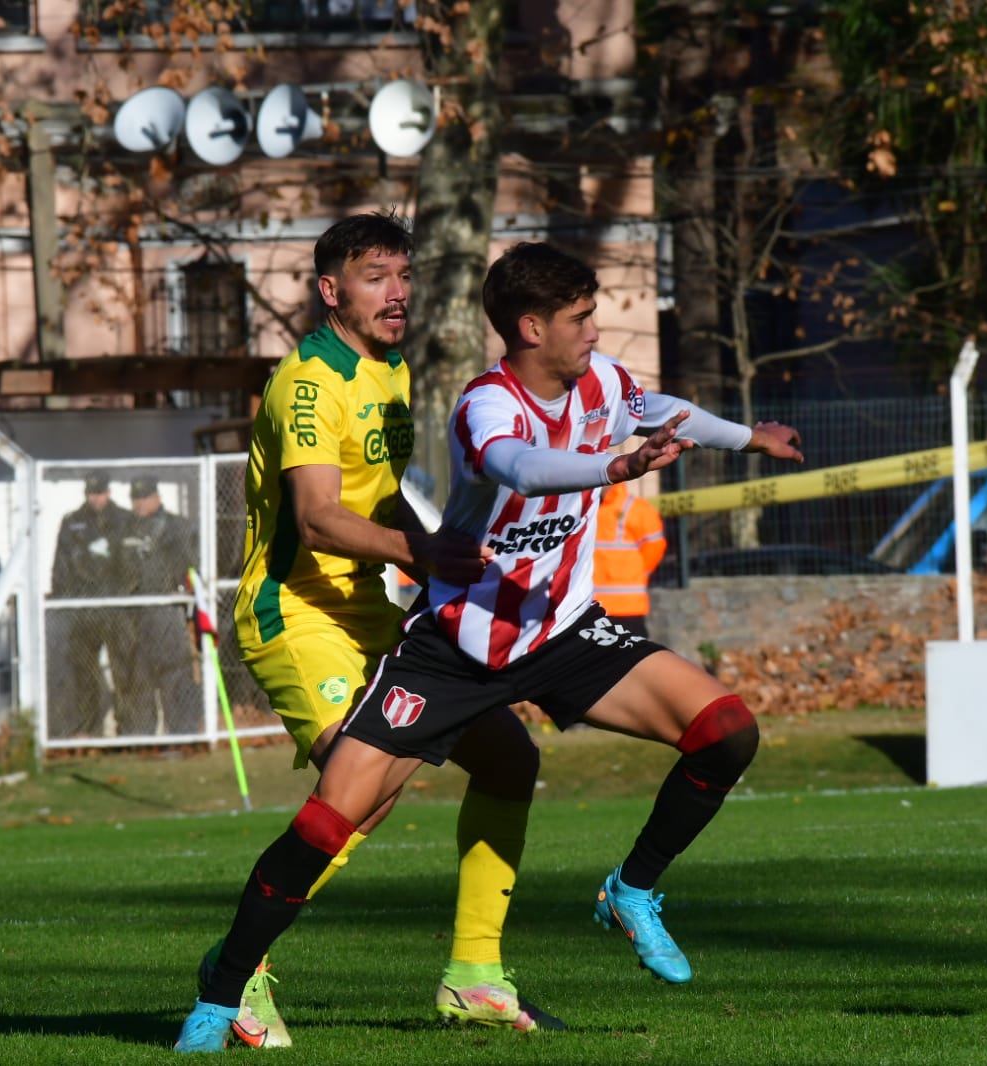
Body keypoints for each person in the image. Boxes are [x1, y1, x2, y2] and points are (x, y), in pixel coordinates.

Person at [174, 241, 804, 1051]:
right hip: (451, 643)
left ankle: (624, 895)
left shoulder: (587, 380)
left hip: (561, 626)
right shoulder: (482, 406)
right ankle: (227, 987)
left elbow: (662, 410)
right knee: (340, 812)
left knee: (723, 730)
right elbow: (519, 467)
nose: (596, 331)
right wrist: (612, 465)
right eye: (581, 319)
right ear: (532, 327)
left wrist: (751, 438)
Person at [205, 212, 547, 1049]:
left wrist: (448, 553)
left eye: (403, 275)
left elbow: (378, 498)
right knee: (362, 789)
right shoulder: (309, 383)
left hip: (368, 607)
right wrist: (426, 549)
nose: (397, 294)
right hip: (296, 612)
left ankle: (473, 976)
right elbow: (319, 520)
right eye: (375, 277)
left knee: (509, 758)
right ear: (332, 291)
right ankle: (241, 970)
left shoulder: (388, 369)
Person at [50, 472, 137, 736]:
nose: (95, 498)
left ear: (108, 492)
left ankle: (128, 728)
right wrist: (64, 598)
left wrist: (126, 597)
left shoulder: (124, 520)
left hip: (116, 607)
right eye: (91, 493)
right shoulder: (73, 521)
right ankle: (88, 729)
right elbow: (61, 564)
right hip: (85, 607)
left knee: (123, 669)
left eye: (99, 492)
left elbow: (133, 564)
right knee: (84, 670)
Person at [119, 478, 197, 735]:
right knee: (138, 677)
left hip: (166, 609)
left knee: (174, 674)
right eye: (135, 499)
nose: (139, 503)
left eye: (144, 498)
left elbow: (191, 564)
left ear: (156, 497)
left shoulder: (176, 526)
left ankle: (182, 736)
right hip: (134, 613)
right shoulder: (126, 527)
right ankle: (141, 738)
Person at [594, 481, 667, 639]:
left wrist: (640, 573)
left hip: (627, 608)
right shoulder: (587, 508)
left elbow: (655, 547)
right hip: (592, 606)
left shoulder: (636, 508)